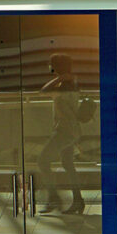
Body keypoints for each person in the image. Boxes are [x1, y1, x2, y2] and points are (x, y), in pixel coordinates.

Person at [36, 53, 84, 215]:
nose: (49, 67)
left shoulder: (64, 85)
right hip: (72, 130)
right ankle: (78, 200)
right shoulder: (72, 83)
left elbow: (43, 91)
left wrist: (58, 79)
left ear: (57, 67)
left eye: (51, 64)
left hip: (64, 130)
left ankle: (53, 198)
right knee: (68, 164)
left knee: (42, 161)